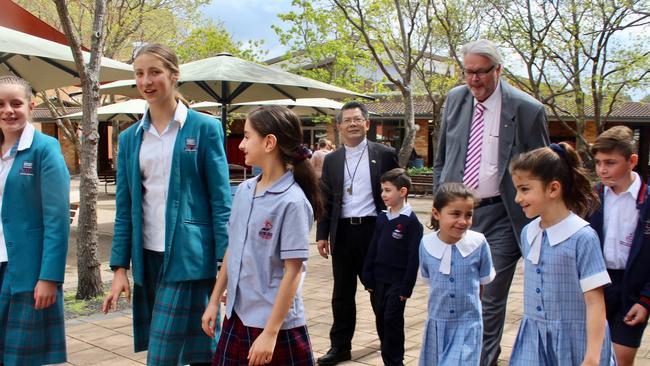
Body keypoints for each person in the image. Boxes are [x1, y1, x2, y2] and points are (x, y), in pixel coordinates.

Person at [102, 44, 231, 366]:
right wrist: (120, 268)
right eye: (139, 73)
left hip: (190, 257)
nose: (146, 81)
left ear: (174, 76)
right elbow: (125, 207)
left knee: (162, 357)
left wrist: (226, 266)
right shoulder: (131, 138)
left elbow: (220, 201)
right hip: (147, 258)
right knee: (201, 349)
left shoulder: (204, 128)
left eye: (154, 72)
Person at [432, 39, 549, 365]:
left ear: (498, 70)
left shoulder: (527, 110)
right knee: (456, 296)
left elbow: (542, 168)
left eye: (481, 73)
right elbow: (442, 156)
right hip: (458, 216)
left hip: (502, 216)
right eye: (468, 72)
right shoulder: (455, 99)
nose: (473, 81)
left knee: (490, 299)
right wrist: (439, 205)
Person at [202, 106, 320, 365]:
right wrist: (213, 301)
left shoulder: (292, 201)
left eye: (246, 136)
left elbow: (294, 271)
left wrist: (270, 333)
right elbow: (232, 249)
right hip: (237, 316)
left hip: (274, 324)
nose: (241, 144)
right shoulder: (244, 190)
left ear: (269, 142)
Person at [509, 143, 615, 365]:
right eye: (517, 189)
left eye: (525, 189)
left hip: (575, 342)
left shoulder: (582, 237)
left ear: (553, 189)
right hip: (534, 340)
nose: (518, 198)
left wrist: (593, 357)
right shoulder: (529, 232)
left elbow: (595, 303)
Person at [316, 101, 399, 365]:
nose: (352, 124)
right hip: (342, 233)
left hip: (374, 232)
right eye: (347, 120)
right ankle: (340, 347)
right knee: (342, 294)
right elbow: (326, 199)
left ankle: (390, 348)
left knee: (380, 292)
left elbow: (398, 191)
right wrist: (322, 234)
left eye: (357, 119)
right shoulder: (332, 159)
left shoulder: (384, 154)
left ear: (367, 124)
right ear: (339, 127)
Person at [0, 75, 69, 366]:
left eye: (16, 103)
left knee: (20, 359)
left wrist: (49, 277)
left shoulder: (45, 148)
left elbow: (57, 219)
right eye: (1, 104)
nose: (8, 110)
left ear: (31, 105)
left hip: (25, 271)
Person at [588, 126, 650, 366]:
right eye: (598, 162)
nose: (602, 169)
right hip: (596, 287)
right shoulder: (591, 197)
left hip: (632, 290)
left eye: (610, 162)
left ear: (632, 161)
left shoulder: (647, 201)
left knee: (620, 360)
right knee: (590, 356)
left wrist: (645, 300)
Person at [419, 182, 495, 365]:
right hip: (437, 323)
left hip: (467, 324)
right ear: (436, 213)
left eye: (468, 215)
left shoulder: (478, 244)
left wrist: (473, 312)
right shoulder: (426, 245)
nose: (463, 221)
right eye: (455, 214)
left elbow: (482, 283)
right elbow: (430, 280)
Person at [361, 168, 423, 366]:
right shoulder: (382, 218)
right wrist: (367, 275)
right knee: (381, 320)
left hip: (398, 283)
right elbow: (373, 248)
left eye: (388, 190)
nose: (383, 195)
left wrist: (407, 287)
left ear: (402, 192)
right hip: (378, 280)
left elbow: (414, 259)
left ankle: (396, 361)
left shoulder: (412, 223)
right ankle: (388, 359)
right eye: (382, 190)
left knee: (392, 320)